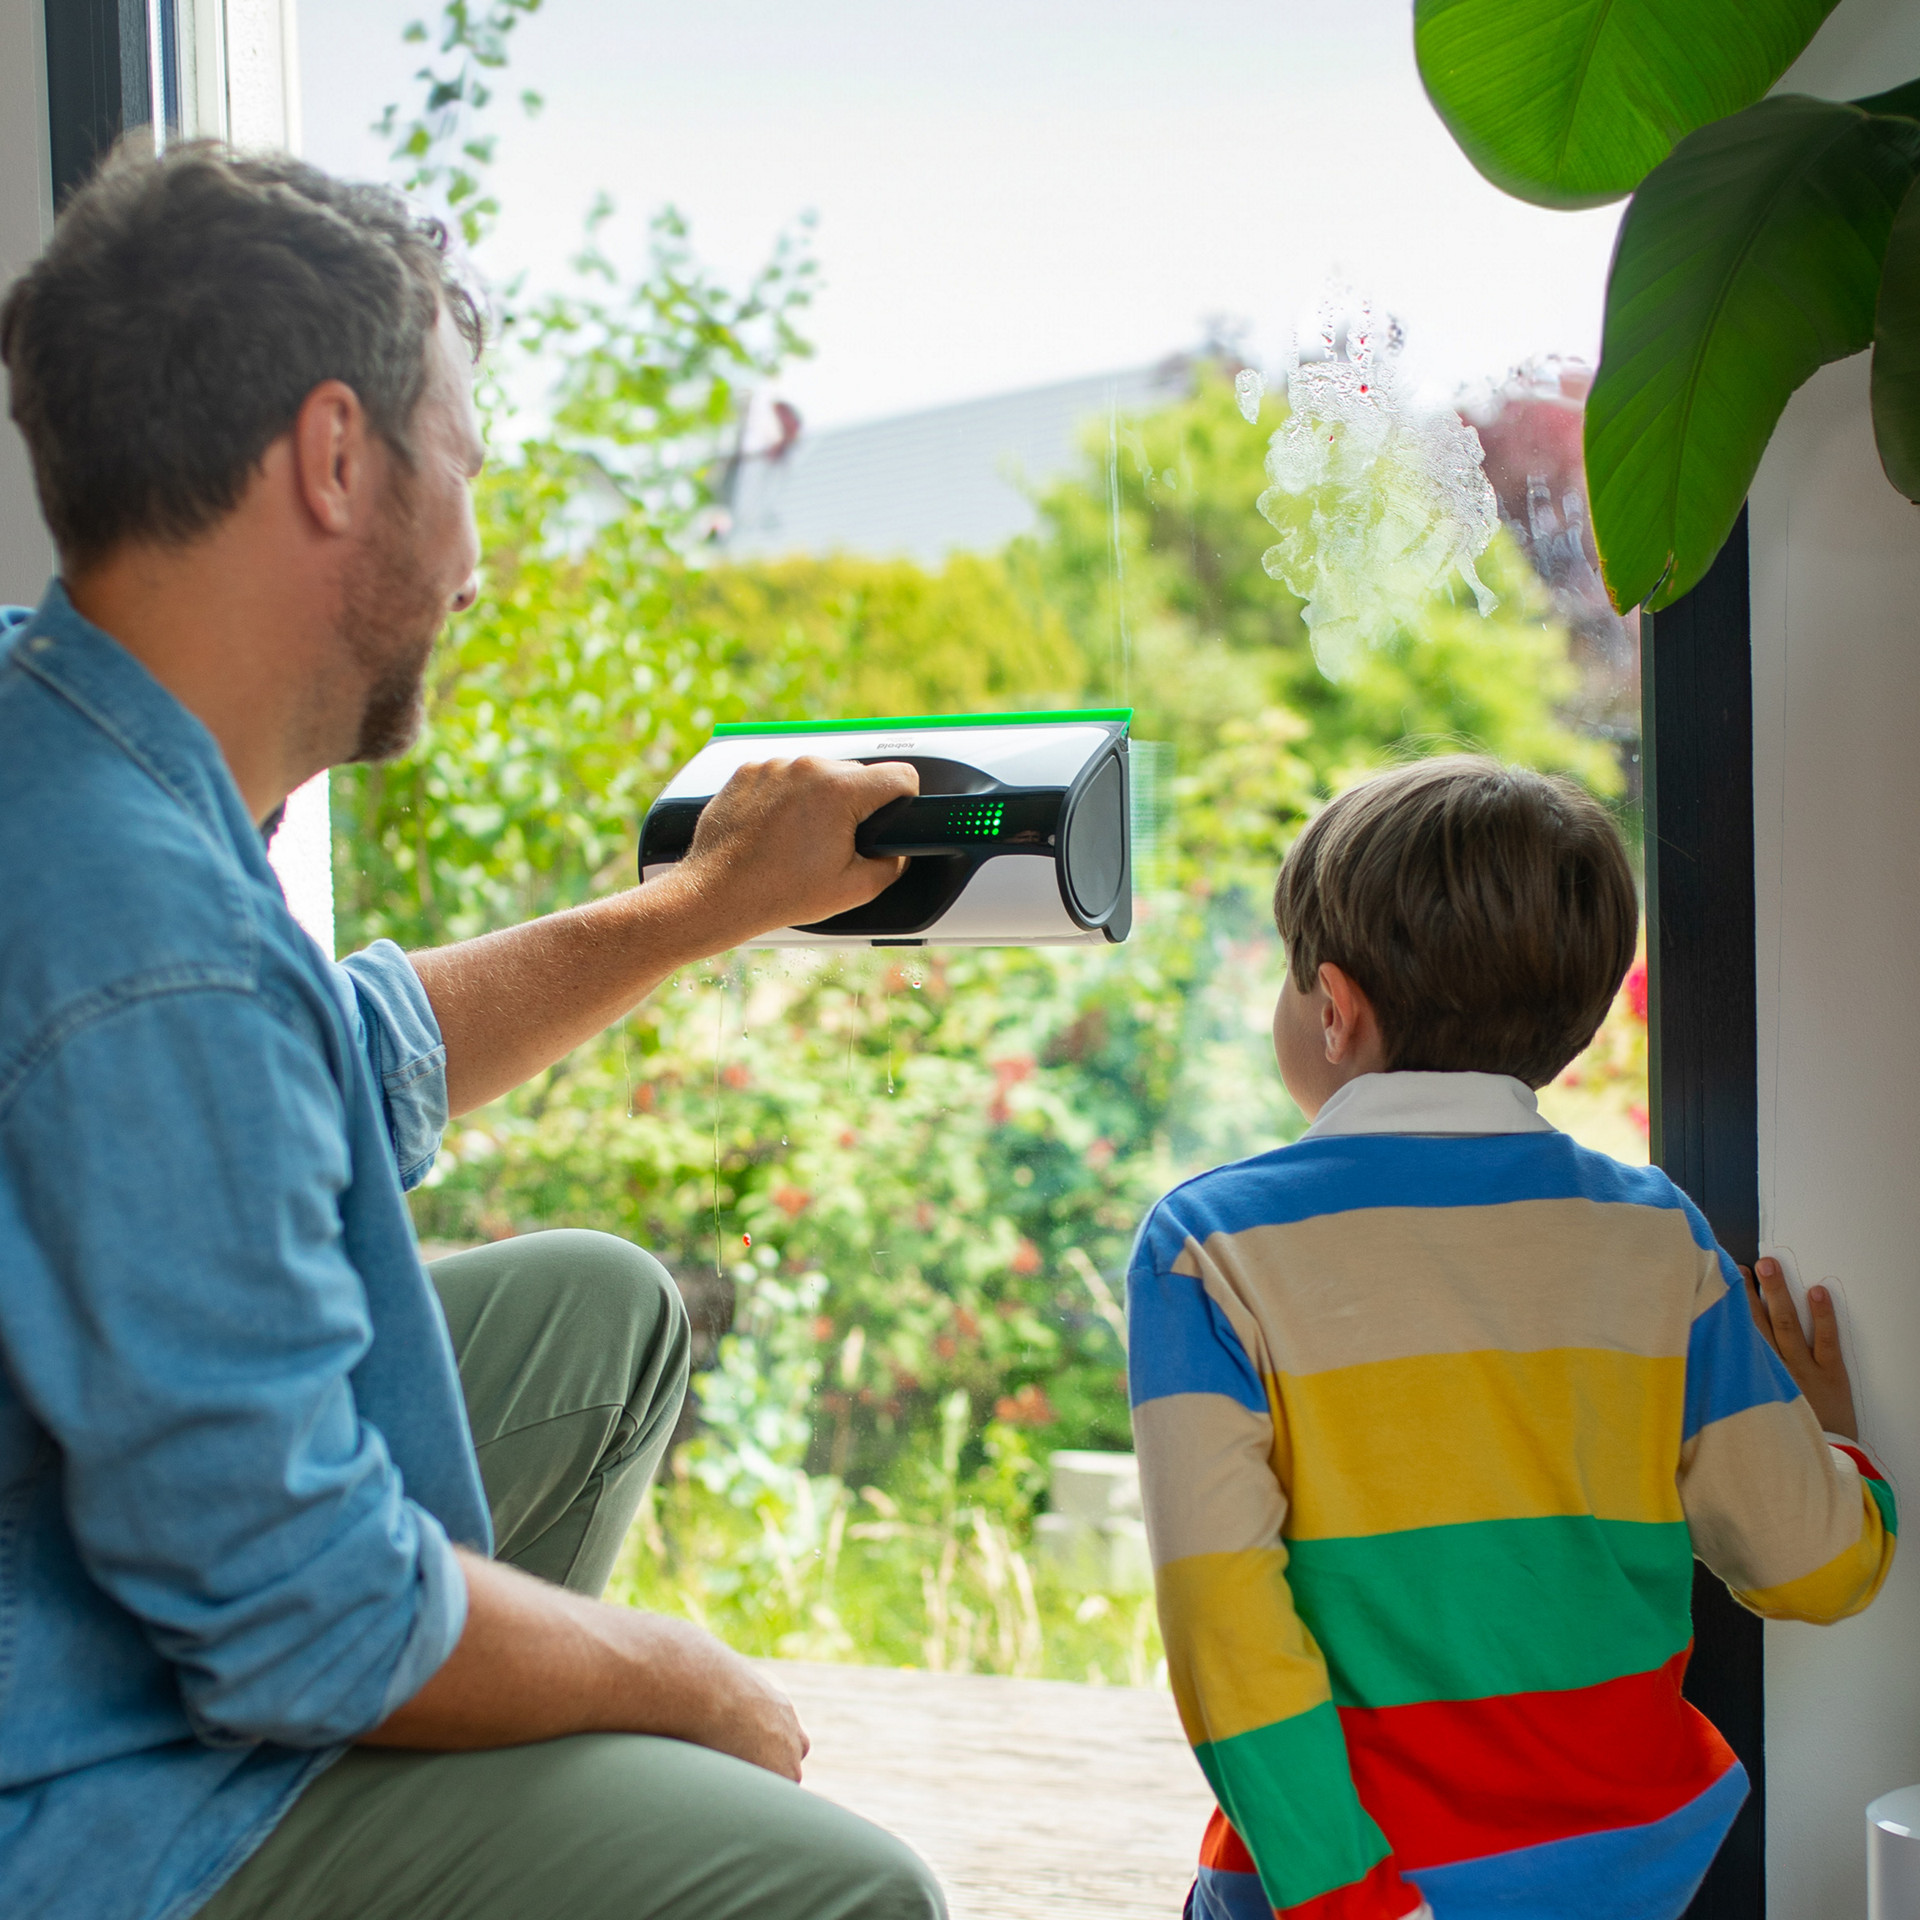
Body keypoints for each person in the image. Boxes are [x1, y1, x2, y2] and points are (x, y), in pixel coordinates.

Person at [0, 143, 942, 1920]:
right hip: (72, 1795)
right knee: (839, 1889)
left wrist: (701, 906)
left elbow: (318, 1065)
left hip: (69, 1576)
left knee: (601, 1318)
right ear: (339, 458)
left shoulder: (53, 733)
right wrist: (682, 1680)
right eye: (468, 468)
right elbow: (308, 1616)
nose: (479, 556)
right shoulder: (150, 937)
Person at [1126, 757, 1896, 1920]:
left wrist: (1352, 1903)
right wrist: (1837, 1445)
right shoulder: (1653, 1234)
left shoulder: (1209, 1245)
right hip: (1634, 1874)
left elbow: (1224, 1630)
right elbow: (1818, 1568)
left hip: (1353, 1889)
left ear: (1333, 1008)